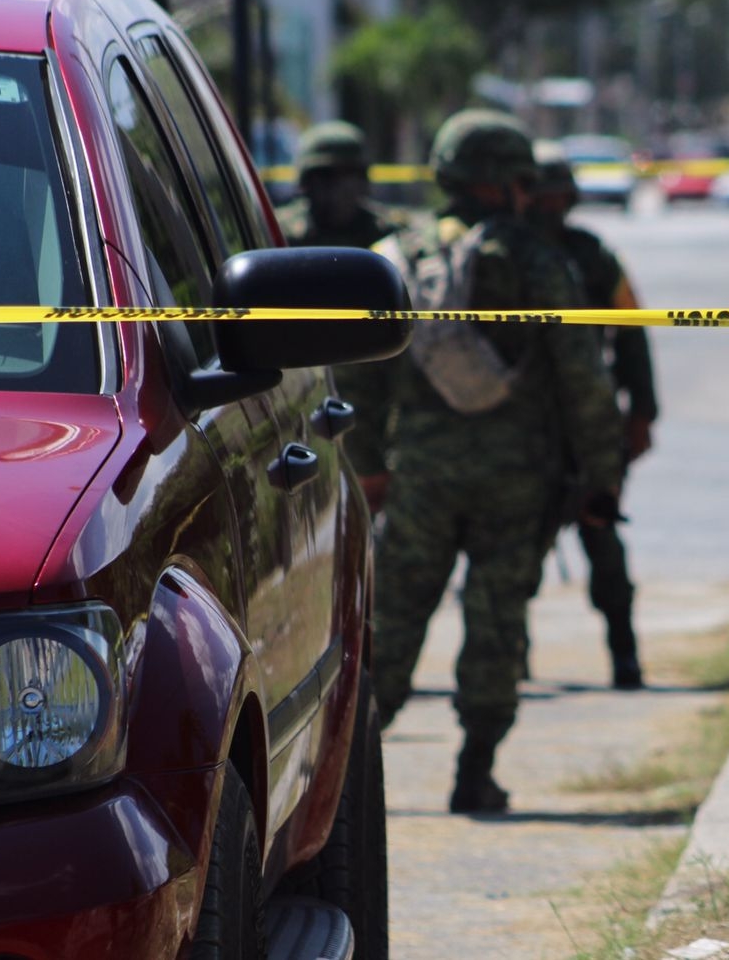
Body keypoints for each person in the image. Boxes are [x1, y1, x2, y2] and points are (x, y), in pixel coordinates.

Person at [336, 110, 624, 814]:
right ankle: (475, 771)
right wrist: (601, 478)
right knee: (497, 623)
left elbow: (359, 378)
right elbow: (582, 376)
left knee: (395, 622)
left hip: (419, 477)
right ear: (506, 185)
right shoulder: (537, 262)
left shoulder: (398, 255)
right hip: (516, 480)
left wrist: (369, 466)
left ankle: (343, 788)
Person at [527, 140, 658, 690]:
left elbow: (631, 333)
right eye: (542, 193)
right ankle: (511, 657)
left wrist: (642, 412)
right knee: (515, 552)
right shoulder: (503, 252)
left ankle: (624, 654)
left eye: (559, 193)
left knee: (602, 538)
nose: (551, 205)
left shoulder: (594, 255)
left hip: (591, 427)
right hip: (526, 426)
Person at [275, 119, 396, 248]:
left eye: (348, 174)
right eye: (325, 176)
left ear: (362, 182)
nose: (338, 189)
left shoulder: (387, 234)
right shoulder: (279, 232)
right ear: (306, 184)